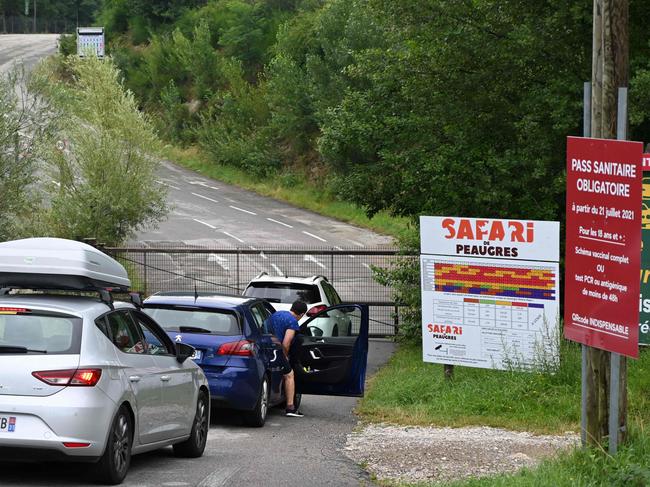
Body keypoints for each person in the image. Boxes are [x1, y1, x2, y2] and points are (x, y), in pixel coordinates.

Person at [266, 299, 307, 417]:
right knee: (289, 374)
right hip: (278, 351)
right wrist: (285, 357)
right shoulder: (293, 322)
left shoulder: (277, 314)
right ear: (302, 314)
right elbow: (286, 343)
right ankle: (290, 407)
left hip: (268, 349)